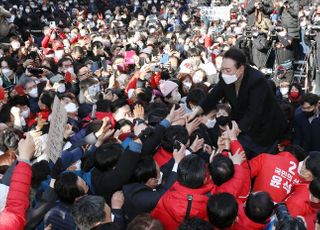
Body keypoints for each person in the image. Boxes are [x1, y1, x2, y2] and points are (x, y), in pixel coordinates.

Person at [189, 47, 287, 158]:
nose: (224, 72)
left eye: (228, 70)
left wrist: (235, 131)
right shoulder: (225, 76)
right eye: (223, 69)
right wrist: (196, 111)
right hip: (242, 123)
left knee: (261, 160)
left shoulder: (257, 80)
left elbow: (255, 112)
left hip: (265, 128)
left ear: (240, 69)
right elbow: (213, 95)